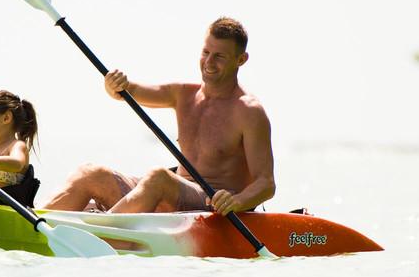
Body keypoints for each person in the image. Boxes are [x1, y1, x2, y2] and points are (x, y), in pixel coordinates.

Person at [42, 17, 274, 214]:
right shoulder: (182, 94)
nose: (209, 62)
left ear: (241, 60)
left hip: (210, 207)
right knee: (90, 173)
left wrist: (236, 203)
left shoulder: (249, 112)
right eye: (206, 52)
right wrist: (113, 84)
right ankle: (34, 222)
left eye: (220, 57)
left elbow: (266, 183)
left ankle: (101, 228)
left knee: (159, 177)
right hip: (173, 194)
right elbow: (127, 92)